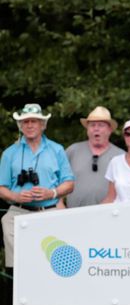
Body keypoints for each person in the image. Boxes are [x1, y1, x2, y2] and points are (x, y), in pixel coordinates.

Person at [0, 104, 75, 271]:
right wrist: (16, 197)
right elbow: (1, 188)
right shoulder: (9, 153)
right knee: (6, 221)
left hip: (49, 210)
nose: (30, 125)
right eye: (25, 122)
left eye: (34, 121)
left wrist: (52, 193)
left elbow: (69, 183)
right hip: (18, 211)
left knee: (51, 261)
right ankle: (15, 276)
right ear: (20, 126)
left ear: (43, 125)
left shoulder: (57, 150)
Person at [63, 106, 124, 207]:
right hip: (74, 214)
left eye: (101, 125)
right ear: (87, 129)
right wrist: (60, 203)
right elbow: (56, 178)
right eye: (92, 125)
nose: (96, 129)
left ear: (109, 129)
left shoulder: (120, 156)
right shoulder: (73, 150)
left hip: (109, 215)